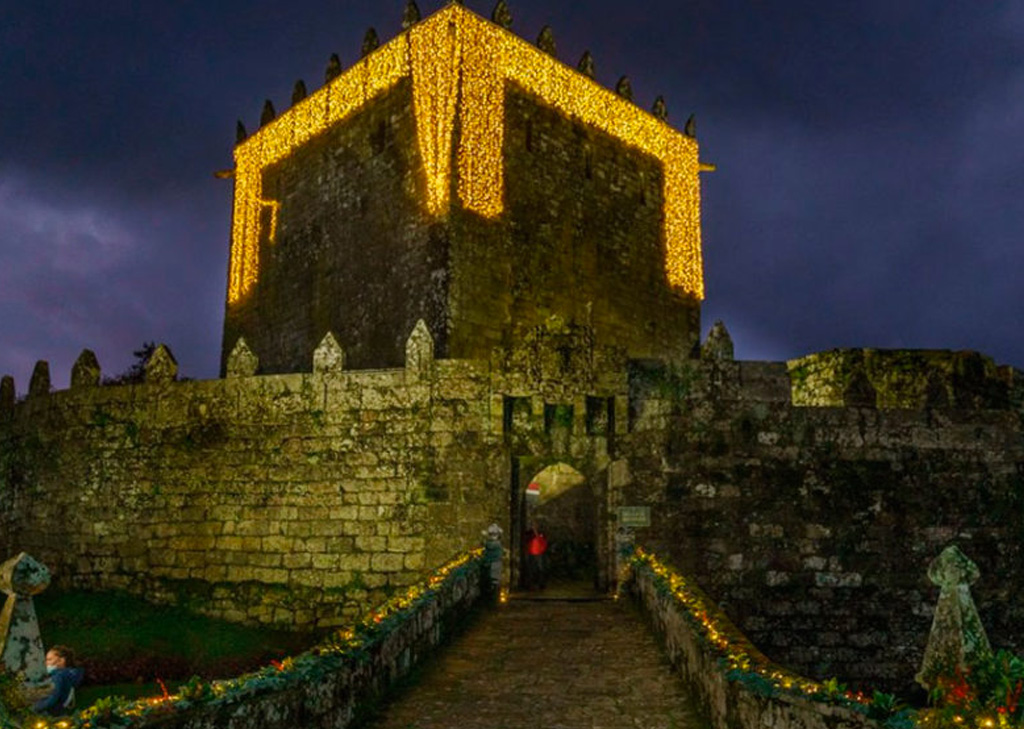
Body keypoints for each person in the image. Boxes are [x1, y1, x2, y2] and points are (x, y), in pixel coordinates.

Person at [33, 645, 83, 717]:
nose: (46, 663)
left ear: (61, 661)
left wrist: (35, 708)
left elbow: (53, 698)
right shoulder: (69, 675)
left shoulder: (58, 676)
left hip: (51, 716)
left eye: (49, 660)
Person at [525, 521, 548, 590]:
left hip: (539, 553)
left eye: (535, 525)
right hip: (531, 553)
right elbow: (527, 540)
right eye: (533, 525)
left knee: (540, 569)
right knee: (531, 569)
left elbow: (543, 541)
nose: (534, 526)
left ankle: (541, 584)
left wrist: (536, 533)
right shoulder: (529, 533)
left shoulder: (541, 533)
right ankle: (531, 585)